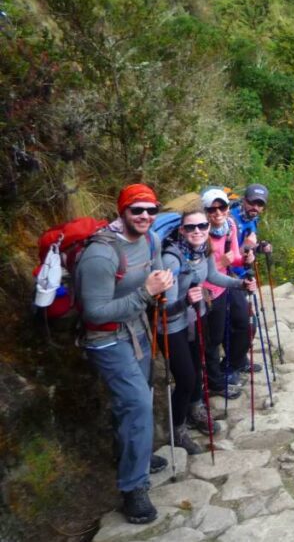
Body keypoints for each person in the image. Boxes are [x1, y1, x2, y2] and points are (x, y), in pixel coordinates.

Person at [76, 184, 172, 525]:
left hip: (138, 331)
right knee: (137, 403)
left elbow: (156, 275)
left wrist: (163, 283)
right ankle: (133, 487)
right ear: (122, 211)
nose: (145, 216)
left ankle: (132, 454)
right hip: (106, 339)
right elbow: (95, 312)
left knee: (134, 400)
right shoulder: (100, 255)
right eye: (137, 210)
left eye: (151, 210)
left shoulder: (151, 240)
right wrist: (146, 293)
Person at [159, 205, 256, 454]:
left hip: (195, 317)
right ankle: (177, 428)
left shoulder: (203, 251)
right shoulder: (172, 258)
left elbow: (213, 276)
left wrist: (240, 284)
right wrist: (186, 301)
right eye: (191, 227)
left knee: (198, 367)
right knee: (185, 377)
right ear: (182, 230)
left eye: (202, 226)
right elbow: (164, 308)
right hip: (171, 326)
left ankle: (195, 410)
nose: (198, 231)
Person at [200, 187, 249, 398]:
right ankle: (214, 383)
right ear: (205, 211)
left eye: (222, 207)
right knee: (210, 340)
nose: (218, 212)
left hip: (221, 289)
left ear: (229, 209)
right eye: (212, 209)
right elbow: (199, 272)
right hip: (203, 293)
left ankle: (220, 375)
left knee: (221, 334)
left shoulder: (230, 226)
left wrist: (247, 256)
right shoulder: (199, 233)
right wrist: (221, 262)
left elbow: (235, 257)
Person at [224, 184, 272, 380]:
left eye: (260, 204)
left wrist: (259, 247)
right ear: (244, 200)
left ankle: (239, 360)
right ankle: (230, 366)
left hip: (243, 277)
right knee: (241, 323)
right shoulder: (230, 220)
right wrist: (248, 247)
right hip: (228, 278)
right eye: (252, 202)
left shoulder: (252, 219)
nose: (255, 207)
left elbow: (248, 248)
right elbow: (229, 254)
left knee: (249, 322)